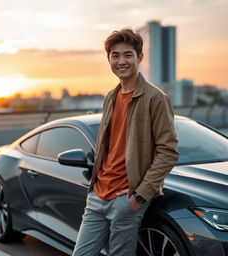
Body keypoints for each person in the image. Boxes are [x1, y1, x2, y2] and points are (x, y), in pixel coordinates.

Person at [72, 28, 179, 256]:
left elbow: (168, 151)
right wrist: (95, 187)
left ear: (139, 58)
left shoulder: (156, 98)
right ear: (109, 59)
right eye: (115, 55)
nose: (121, 61)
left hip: (126, 198)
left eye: (128, 55)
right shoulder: (110, 97)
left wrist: (140, 195)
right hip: (98, 194)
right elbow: (107, 146)